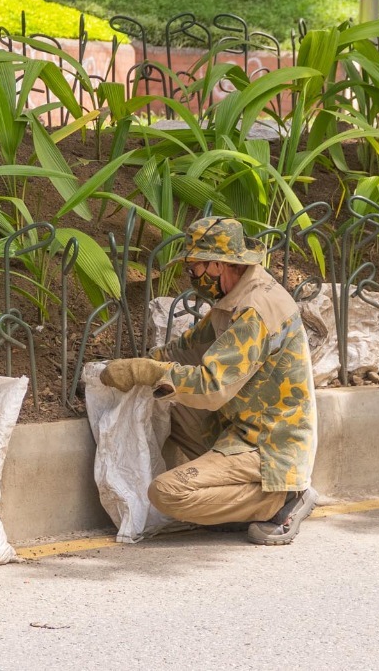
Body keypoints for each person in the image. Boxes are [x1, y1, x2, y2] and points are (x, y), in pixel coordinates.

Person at [101, 216, 318, 545]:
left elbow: (212, 387)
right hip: (241, 424)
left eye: (194, 267)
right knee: (164, 404)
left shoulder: (254, 311)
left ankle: (282, 498)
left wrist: (145, 371)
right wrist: (128, 368)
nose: (191, 276)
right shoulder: (236, 296)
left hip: (270, 446)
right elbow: (187, 349)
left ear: (217, 265)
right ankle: (243, 503)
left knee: (167, 494)